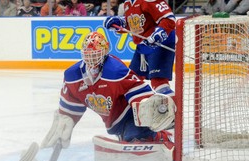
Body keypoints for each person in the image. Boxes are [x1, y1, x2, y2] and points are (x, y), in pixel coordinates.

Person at [41, 32, 175, 150]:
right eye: (88, 55)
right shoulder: (72, 76)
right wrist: (66, 120)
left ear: (105, 52)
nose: (91, 59)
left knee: (135, 136)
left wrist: (150, 112)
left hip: (130, 117)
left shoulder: (116, 71)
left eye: (95, 54)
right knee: (128, 136)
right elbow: (70, 107)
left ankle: (162, 137)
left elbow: (141, 95)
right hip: (114, 124)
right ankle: (131, 135)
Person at [104, 0, 176, 96]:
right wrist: (119, 23)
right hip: (142, 47)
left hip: (159, 44)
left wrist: (158, 34)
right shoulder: (128, 3)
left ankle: (176, 109)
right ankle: (137, 106)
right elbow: (136, 24)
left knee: (159, 84)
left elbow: (169, 19)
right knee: (132, 80)